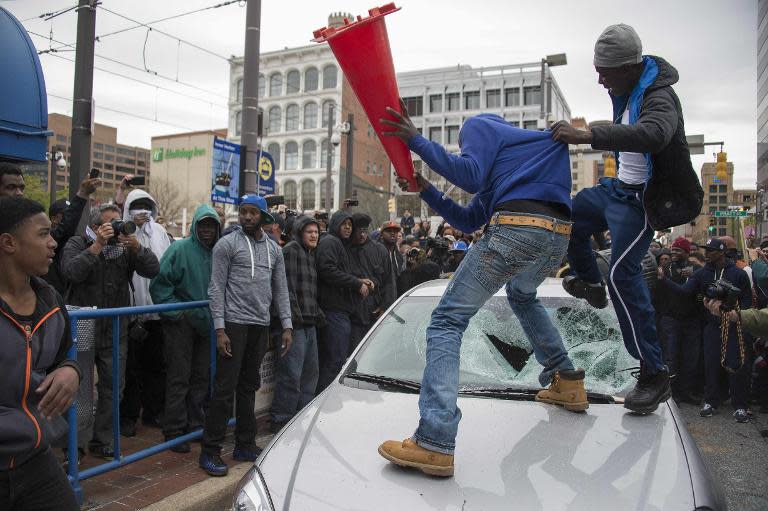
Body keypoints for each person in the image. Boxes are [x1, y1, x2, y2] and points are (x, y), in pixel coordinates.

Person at [377, 99, 583, 477]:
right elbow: (469, 217)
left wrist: (416, 140)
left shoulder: (479, 125)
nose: (468, 150)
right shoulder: (519, 160)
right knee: (522, 295)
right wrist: (424, 189)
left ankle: (435, 440)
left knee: (446, 322)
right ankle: (567, 380)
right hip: (556, 236)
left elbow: (469, 175)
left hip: (518, 226)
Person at [550, 24, 696, 414]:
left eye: (605, 72)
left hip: (642, 201)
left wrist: (587, 135)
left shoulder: (660, 96)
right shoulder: (627, 87)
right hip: (617, 189)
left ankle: (654, 372)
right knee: (567, 216)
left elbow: (654, 135)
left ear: (630, 67)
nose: (599, 80)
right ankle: (590, 283)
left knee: (623, 273)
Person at [200, 194, 292, 476]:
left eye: (253, 212)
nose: (247, 217)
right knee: (225, 388)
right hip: (233, 324)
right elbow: (216, 288)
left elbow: (280, 289)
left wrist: (287, 324)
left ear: (264, 217)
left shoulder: (275, 250)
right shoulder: (226, 244)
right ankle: (210, 451)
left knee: (249, 385)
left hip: (260, 325)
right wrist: (220, 328)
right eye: (243, 212)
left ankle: (245, 444)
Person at [0, 197, 82, 511]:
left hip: (34, 457)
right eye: (43, 234)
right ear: (8, 242)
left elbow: (64, 356)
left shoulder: (50, 300)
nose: (52, 243)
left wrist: (71, 370)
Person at [60, 204, 159, 459]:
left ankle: (102, 439)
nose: (117, 226)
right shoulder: (78, 242)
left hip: (116, 326)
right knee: (79, 388)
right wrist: (97, 247)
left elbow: (153, 269)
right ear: (95, 227)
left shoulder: (124, 248)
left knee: (114, 386)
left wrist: (136, 246)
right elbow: (71, 271)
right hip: (82, 323)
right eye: (111, 222)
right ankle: (76, 442)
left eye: (118, 221)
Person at [149, 205, 221, 453]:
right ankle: (174, 431)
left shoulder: (218, 253)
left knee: (201, 377)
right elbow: (159, 285)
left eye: (212, 225)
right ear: (195, 226)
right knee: (179, 377)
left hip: (206, 324)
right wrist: (177, 311)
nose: (208, 230)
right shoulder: (179, 249)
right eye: (203, 225)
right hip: (180, 324)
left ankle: (194, 424)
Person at [658, 238, 752, 422]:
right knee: (711, 365)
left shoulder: (738, 274)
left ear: (722, 252)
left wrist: (737, 315)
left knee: (735, 365)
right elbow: (685, 291)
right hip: (711, 327)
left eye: (711, 250)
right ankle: (710, 401)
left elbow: (747, 300)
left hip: (733, 327)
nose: (707, 253)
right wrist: (664, 280)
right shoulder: (702, 273)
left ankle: (740, 405)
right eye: (706, 250)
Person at [0, 163, 100, 295]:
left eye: (21, 188)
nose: (19, 193)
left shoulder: (46, 295)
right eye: (11, 187)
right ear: (6, 241)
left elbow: (62, 232)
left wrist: (82, 195)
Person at [120, 190, 172, 437]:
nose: (141, 211)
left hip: (157, 311)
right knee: (131, 368)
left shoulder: (160, 232)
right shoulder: (122, 233)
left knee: (156, 365)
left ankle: (154, 411)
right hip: (130, 311)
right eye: (136, 207)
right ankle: (129, 416)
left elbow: (163, 266)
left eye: (146, 206)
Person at [270, 216, 323, 432]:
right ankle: (281, 421)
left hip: (310, 325)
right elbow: (286, 289)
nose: (313, 235)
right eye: (309, 232)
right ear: (300, 233)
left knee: (311, 376)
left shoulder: (310, 255)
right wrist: (290, 324)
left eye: (316, 232)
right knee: (291, 376)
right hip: (294, 326)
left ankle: (300, 419)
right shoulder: (291, 250)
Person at [315, 211, 372, 393]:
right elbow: (327, 270)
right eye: (344, 224)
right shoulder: (330, 241)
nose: (348, 227)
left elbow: (340, 272)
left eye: (350, 225)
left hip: (341, 311)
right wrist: (356, 283)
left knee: (337, 360)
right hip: (333, 311)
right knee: (334, 361)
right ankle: (323, 400)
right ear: (335, 225)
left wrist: (360, 280)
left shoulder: (339, 244)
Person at [654, 237, 701, 403]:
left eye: (678, 250)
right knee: (671, 357)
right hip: (670, 319)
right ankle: (671, 394)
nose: (674, 253)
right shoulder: (665, 268)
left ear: (687, 252)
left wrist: (694, 275)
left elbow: (686, 292)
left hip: (691, 320)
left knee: (690, 358)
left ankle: (686, 392)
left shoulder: (694, 269)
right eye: (673, 249)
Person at [349, 213, 396, 351]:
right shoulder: (345, 249)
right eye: (359, 231)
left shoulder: (379, 250)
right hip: (353, 315)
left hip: (375, 313)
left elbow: (389, 282)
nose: (362, 234)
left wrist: (385, 308)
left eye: (365, 230)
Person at [380, 220, 404, 289]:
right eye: (388, 231)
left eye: (395, 231)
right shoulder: (376, 252)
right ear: (381, 234)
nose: (392, 233)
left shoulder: (398, 255)